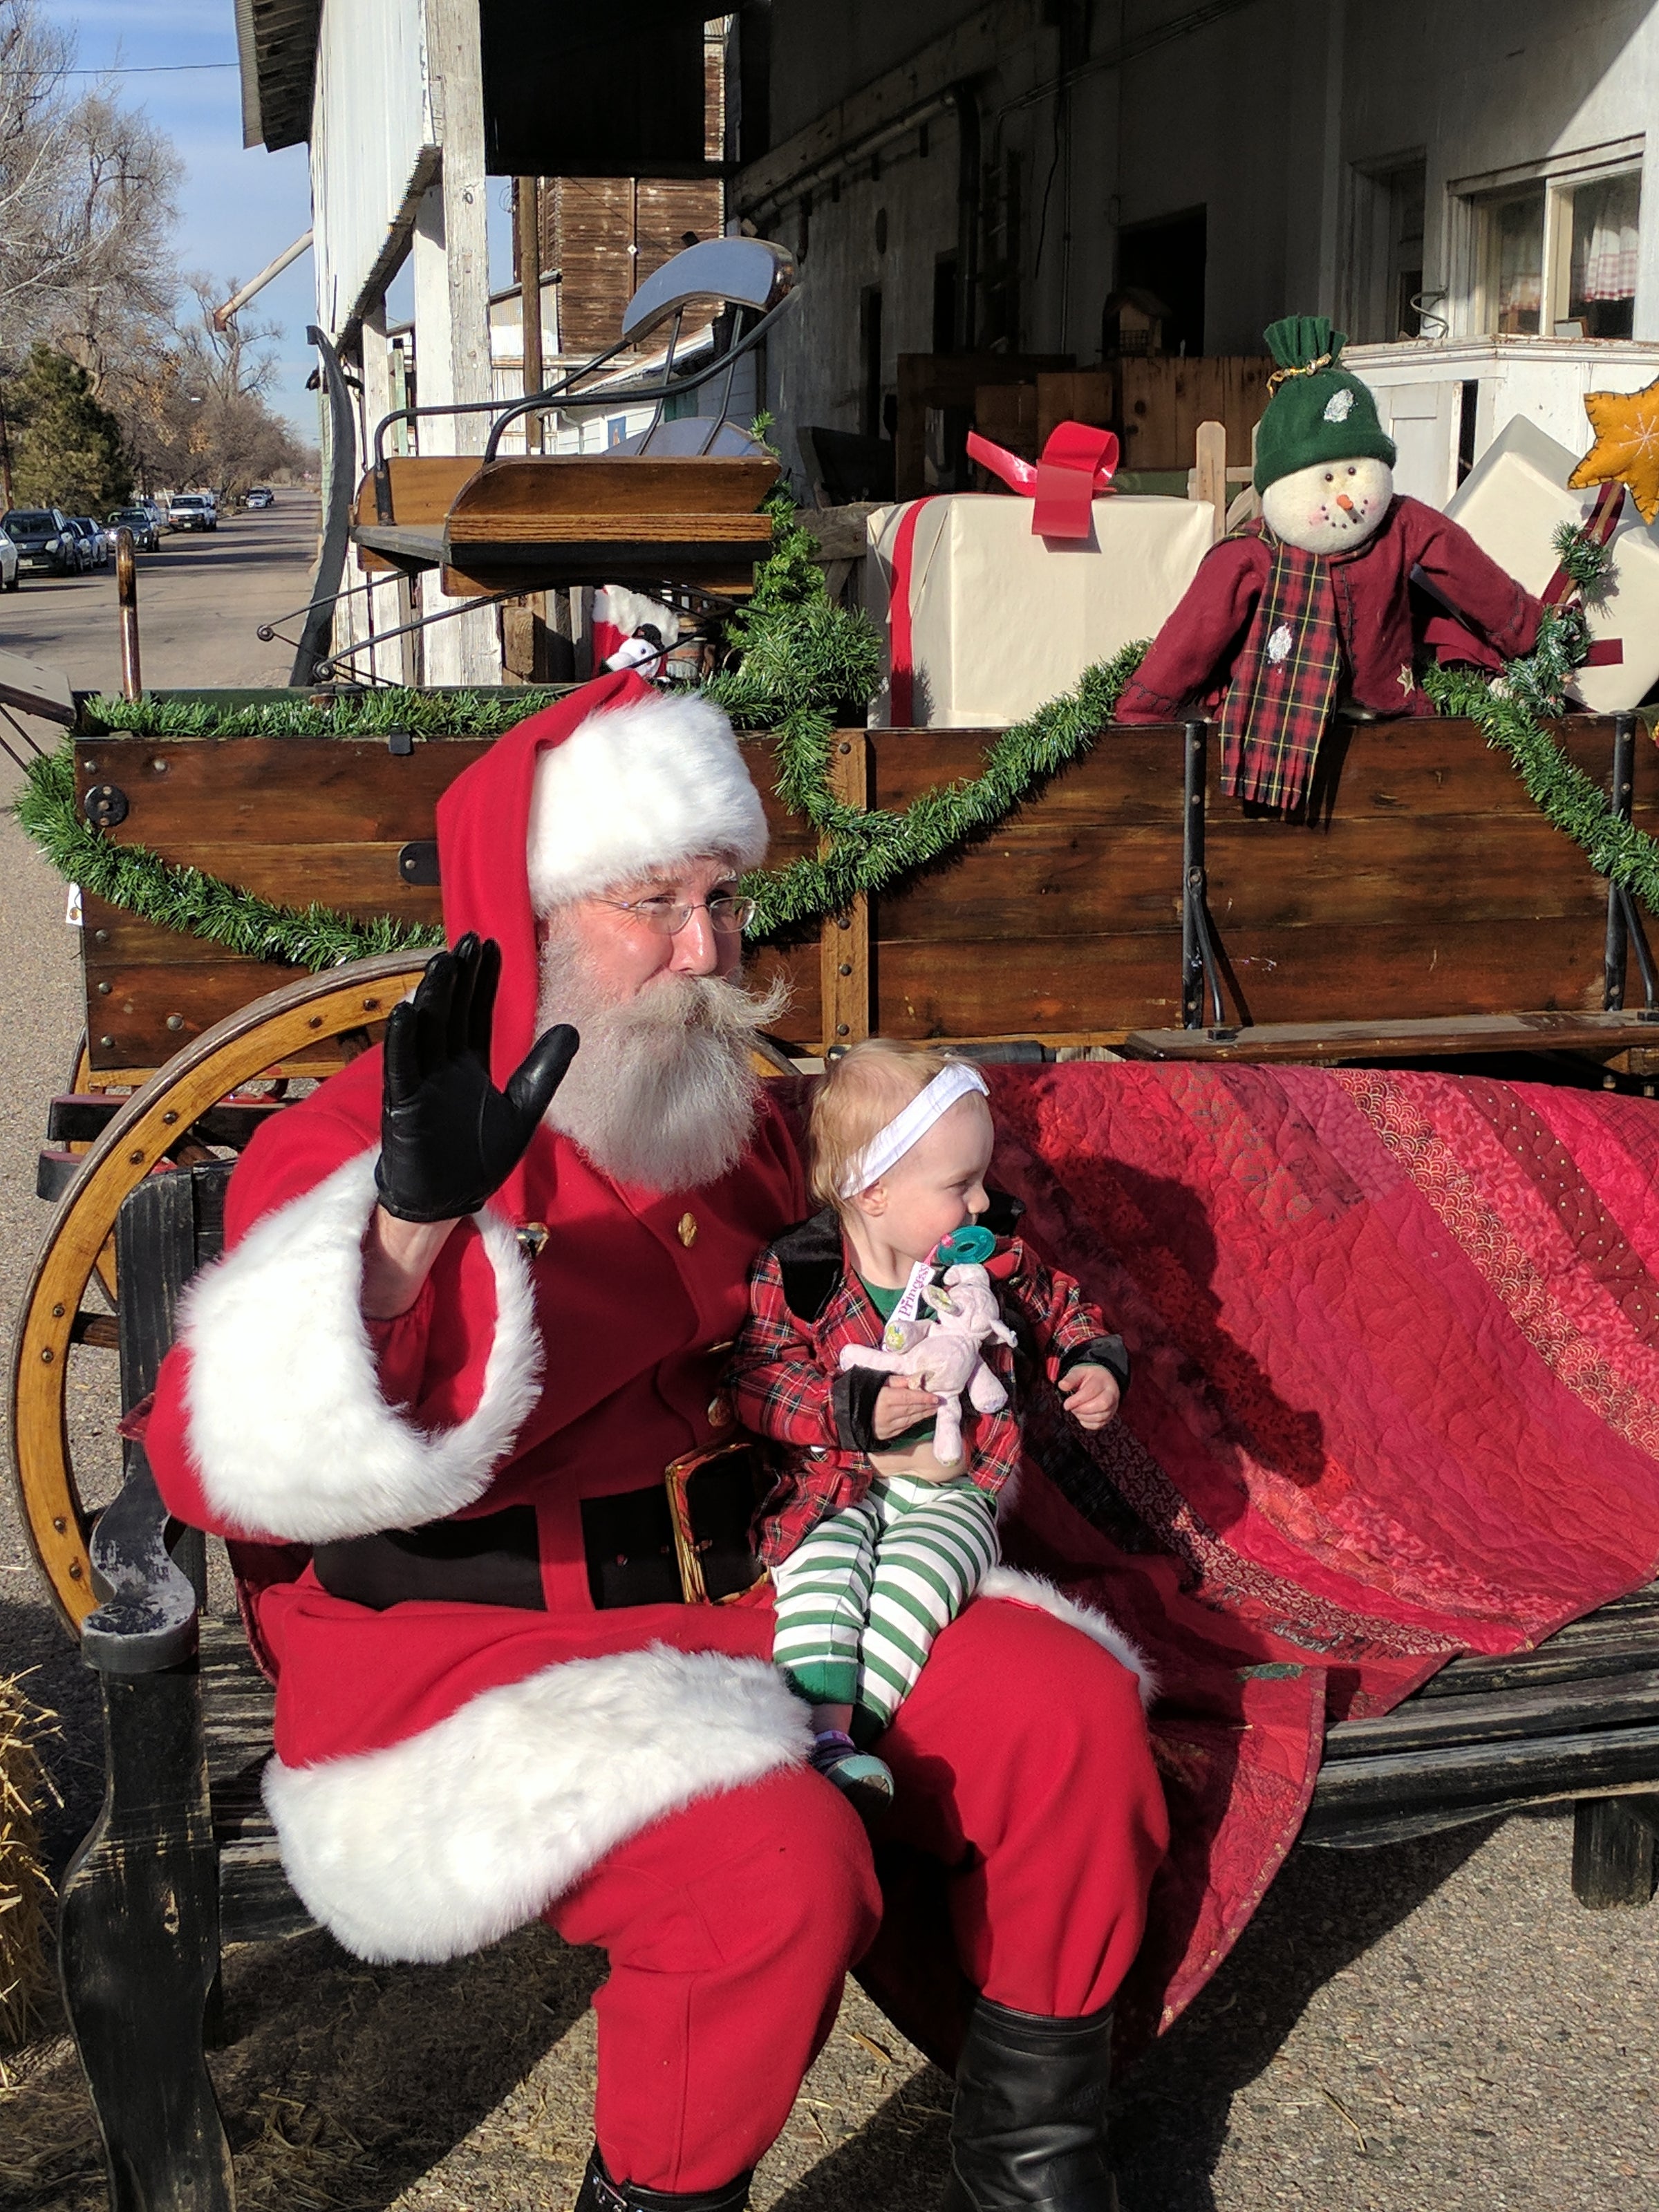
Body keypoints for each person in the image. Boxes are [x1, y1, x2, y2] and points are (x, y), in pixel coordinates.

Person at [142, 671, 1168, 2212]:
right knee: (775, 1865)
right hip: (478, 1644)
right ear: (540, 915)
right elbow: (208, 1463)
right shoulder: (373, 1133)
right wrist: (409, 1234)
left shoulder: (728, 1113)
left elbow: (855, 1270)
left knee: (1069, 1709)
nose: (707, 954)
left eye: (724, 899)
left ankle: (1034, 2171)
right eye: (652, 905)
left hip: (757, 1580)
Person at [733, 1039, 1131, 1804]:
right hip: (834, 1483)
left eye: (981, 1179)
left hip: (956, 1485)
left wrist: (1093, 1362)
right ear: (874, 1190)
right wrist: (850, 1410)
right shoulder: (801, 1270)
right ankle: (813, 1723)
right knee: (824, 1569)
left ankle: (853, 1740)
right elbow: (756, 1377)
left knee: (922, 1575)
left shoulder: (984, 1260)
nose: (982, 1203)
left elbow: (1062, 1305)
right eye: (961, 1184)